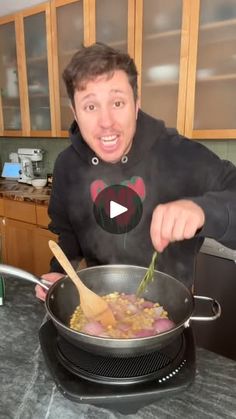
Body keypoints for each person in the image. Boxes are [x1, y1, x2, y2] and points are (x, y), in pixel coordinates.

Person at [36, 42, 236, 301]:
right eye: (90, 106)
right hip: (98, 311)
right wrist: (62, 272)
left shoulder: (183, 156)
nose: (106, 122)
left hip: (169, 314)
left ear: (136, 103)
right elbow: (69, 235)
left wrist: (203, 211)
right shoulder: (67, 165)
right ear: (75, 112)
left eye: (117, 102)